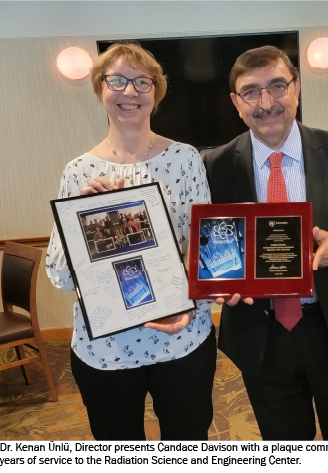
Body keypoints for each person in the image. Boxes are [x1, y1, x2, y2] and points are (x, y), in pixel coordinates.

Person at [204, 45, 328, 441]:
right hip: (260, 334)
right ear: (237, 103)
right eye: (251, 91)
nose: (266, 102)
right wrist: (222, 282)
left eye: (277, 85)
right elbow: (208, 245)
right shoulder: (213, 167)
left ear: (297, 88)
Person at [46, 41, 216, 441]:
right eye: (118, 80)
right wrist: (81, 219)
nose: (130, 92)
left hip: (183, 337)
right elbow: (60, 276)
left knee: (189, 443)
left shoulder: (185, 158)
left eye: (143, 82)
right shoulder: (78, 172)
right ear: (99, 88)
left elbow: (206, 250)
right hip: (106, 347)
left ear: (156, 92)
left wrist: (191, 307)